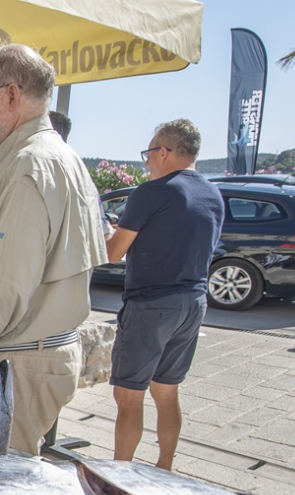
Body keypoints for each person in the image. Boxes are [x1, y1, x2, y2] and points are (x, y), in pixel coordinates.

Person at [0, 43, 108, 455]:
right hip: (31, 356)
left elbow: (3, 282)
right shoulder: (58, 157)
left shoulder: (29, 165)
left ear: (11, 95)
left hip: (17, 362)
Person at [107, 119, 222, 470]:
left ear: (164, 152)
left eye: (148, 153)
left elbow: (113, 252)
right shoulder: (213, 194)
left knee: (128, 394)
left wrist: (106, 232)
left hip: (151, 304)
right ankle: (165, 468)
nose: (146, 162)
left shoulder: (150, 192)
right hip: (194, 302)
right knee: (167, 391)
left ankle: (119, 478)